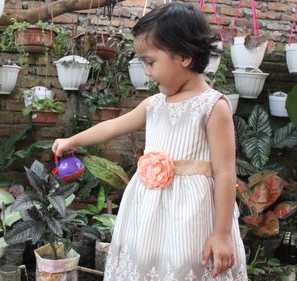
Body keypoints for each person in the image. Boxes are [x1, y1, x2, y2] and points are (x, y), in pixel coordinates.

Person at [52, 2, 247, 280]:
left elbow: (225, 171)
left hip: (191, 217)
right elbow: (112, 126)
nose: (146, 71)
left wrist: (222, 233)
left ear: (183, 56)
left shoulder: (213, 106)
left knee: (184, 267)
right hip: (148, 216)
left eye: (150, 61)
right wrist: (72, 140)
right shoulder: (154, 104)